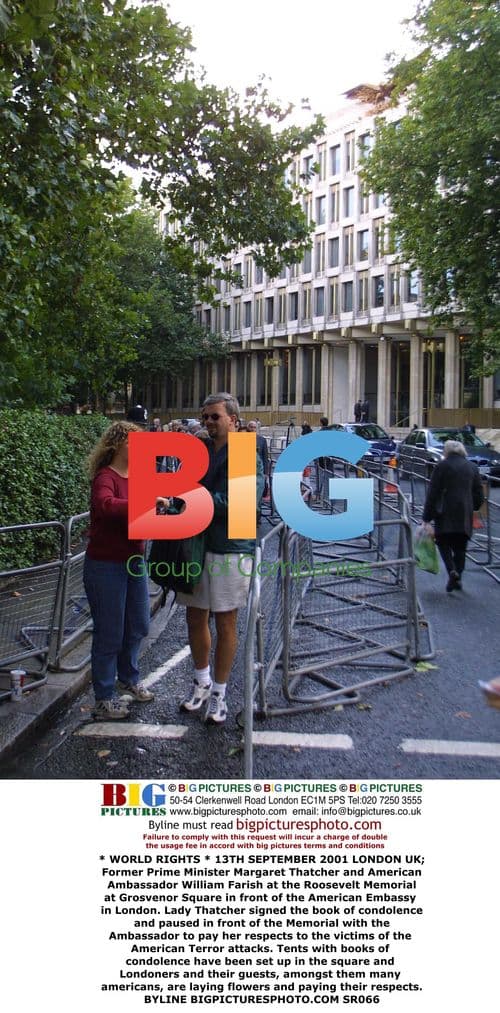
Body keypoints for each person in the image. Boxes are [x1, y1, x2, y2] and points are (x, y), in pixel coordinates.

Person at [175, 393, 264, 725]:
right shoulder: (198, 453)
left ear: (233, 420)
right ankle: (201, 682)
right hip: (196, 543)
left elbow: (240, 502)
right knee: (195, 618)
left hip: (230, 547)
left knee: (226, 622)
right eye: (205, 417)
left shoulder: (244, 453)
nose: (208, 422)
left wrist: (194, 500)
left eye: (215, 416)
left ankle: (220, 695)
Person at [83, 421, 154, 720]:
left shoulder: (139, 476)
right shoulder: (105, 477)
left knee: (138, 624)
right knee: (110, 633)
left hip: (133, 561)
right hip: (106, 564)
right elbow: (105, 505)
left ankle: (128, 678)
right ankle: (104, 697)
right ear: (118, 445)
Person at [422, 439, 484, 592]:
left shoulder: (441, 466)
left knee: (443, 542)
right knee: (460, 546)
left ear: (446, 451)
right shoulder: (472, 467)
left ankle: (451, 571)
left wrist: (426, 517)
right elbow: (479, 493)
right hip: (464, 511)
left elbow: (433, 492)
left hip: (444, 511)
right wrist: (473, 506)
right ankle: (458, 576)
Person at [247, 420, 269, 523]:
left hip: (258, 472)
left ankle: (257, 518)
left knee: (258, 496)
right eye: (250, 427)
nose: (252, 429)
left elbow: (265, 456)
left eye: (254, 427)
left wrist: (265, 473)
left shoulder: (262, 440)